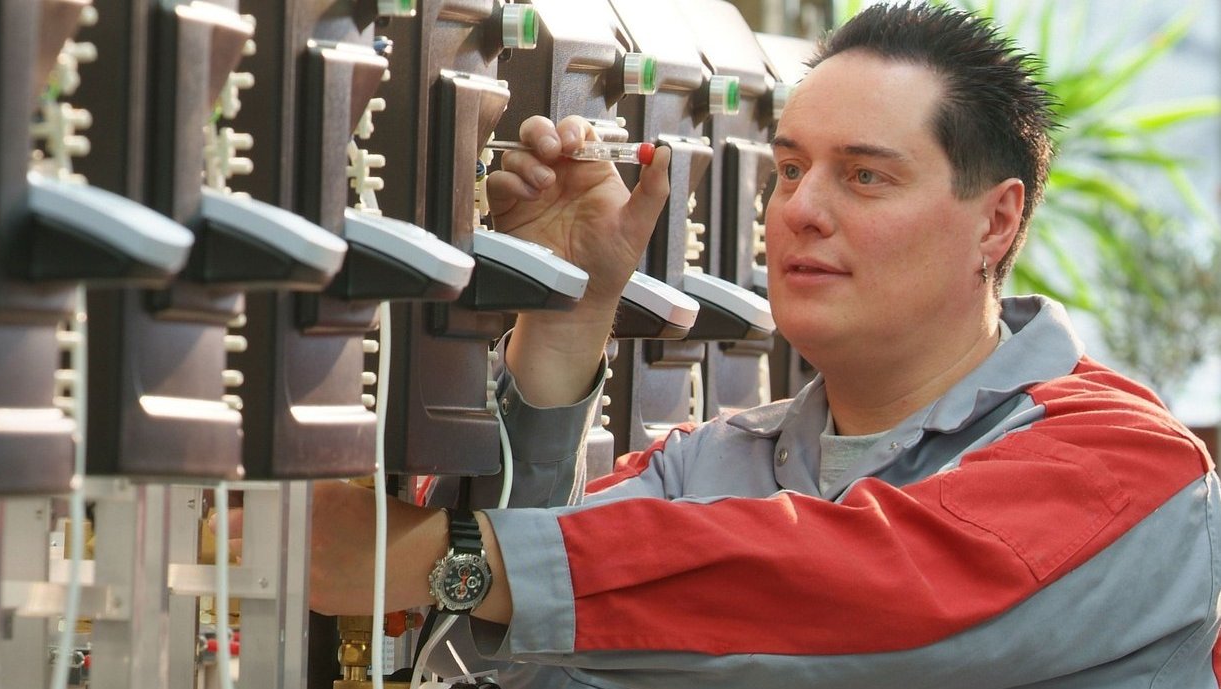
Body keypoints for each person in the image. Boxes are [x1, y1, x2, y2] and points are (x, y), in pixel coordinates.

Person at [306, 3, 1221, 687]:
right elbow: (515, 655)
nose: (801, 210)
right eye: (789, 168)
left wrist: (443, 553)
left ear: (997, 221)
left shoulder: (1129, 464)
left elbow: (868, 593)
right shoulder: (714, 465)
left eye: (864, 176)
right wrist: (572, 313)